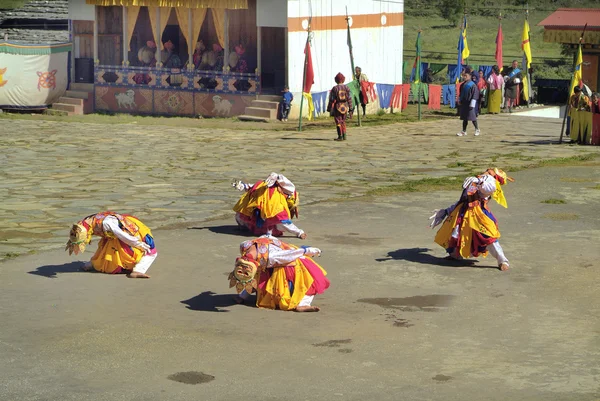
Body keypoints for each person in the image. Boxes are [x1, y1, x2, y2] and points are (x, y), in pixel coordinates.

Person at [429, 168, 514, 271]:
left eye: (491, 172)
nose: (487, 171)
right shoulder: (476, 180)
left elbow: (489, 188)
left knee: (487, 236)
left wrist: (480, 181)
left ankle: (502, 260)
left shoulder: (488, 181)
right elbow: (463, 200)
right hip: (463, 212)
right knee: (456, 233)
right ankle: (455, 255)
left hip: (479, 214)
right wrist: (446, 211)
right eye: (488, 170)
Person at [229, 235, 330, 312]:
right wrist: (309, 250)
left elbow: (291, 253)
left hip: (286, 265)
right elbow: (290, 253)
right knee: (311, 282)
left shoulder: (245, 246)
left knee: (256, 277)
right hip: (281, 269)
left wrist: (307, 250)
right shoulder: (250, 248)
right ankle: (303, 304)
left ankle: (242, 297)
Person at [65, 211, 157, 278]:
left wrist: (138, 244)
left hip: (126, 229)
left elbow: (123, 236)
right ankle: (138, 270)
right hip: (114, 234)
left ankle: (92, 264)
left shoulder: (103, 223)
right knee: (151, 252)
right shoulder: (86, 222)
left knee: (150, 250)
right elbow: (121, 235)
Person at [232, 172, 305, 239]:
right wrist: (242, 185)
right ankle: (244, 228)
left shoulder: (282, 187)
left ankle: (299, 232)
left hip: (276, 208)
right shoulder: (262, 184)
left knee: (282, 222)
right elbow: (251, 187)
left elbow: (290, 188)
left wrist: (278, 178)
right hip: (260, 210)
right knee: (240, 216)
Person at [327, 72, 353, 141]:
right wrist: (350, 108)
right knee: (343, 121)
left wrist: (329, 108)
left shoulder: (335, 89)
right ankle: (344, 135)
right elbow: (349, 99)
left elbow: (331, 99)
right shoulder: (347, 88)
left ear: (336, 80)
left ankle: (340, 136)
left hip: (337, 107)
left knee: (338, 121)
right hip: (345, 107)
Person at [456, 68, 480, 137]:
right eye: (463, 75)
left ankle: (477, 129)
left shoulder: (472, 85)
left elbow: (475, 94)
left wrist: (472, 103)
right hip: (464, 103)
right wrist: (459, 100)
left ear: (470, 76)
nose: (464, 77)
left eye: (466, 75)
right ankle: (464, 131)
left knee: (473, 118)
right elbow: (460, 94)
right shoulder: (462, 85)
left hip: (470, 103)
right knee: (464, 118)